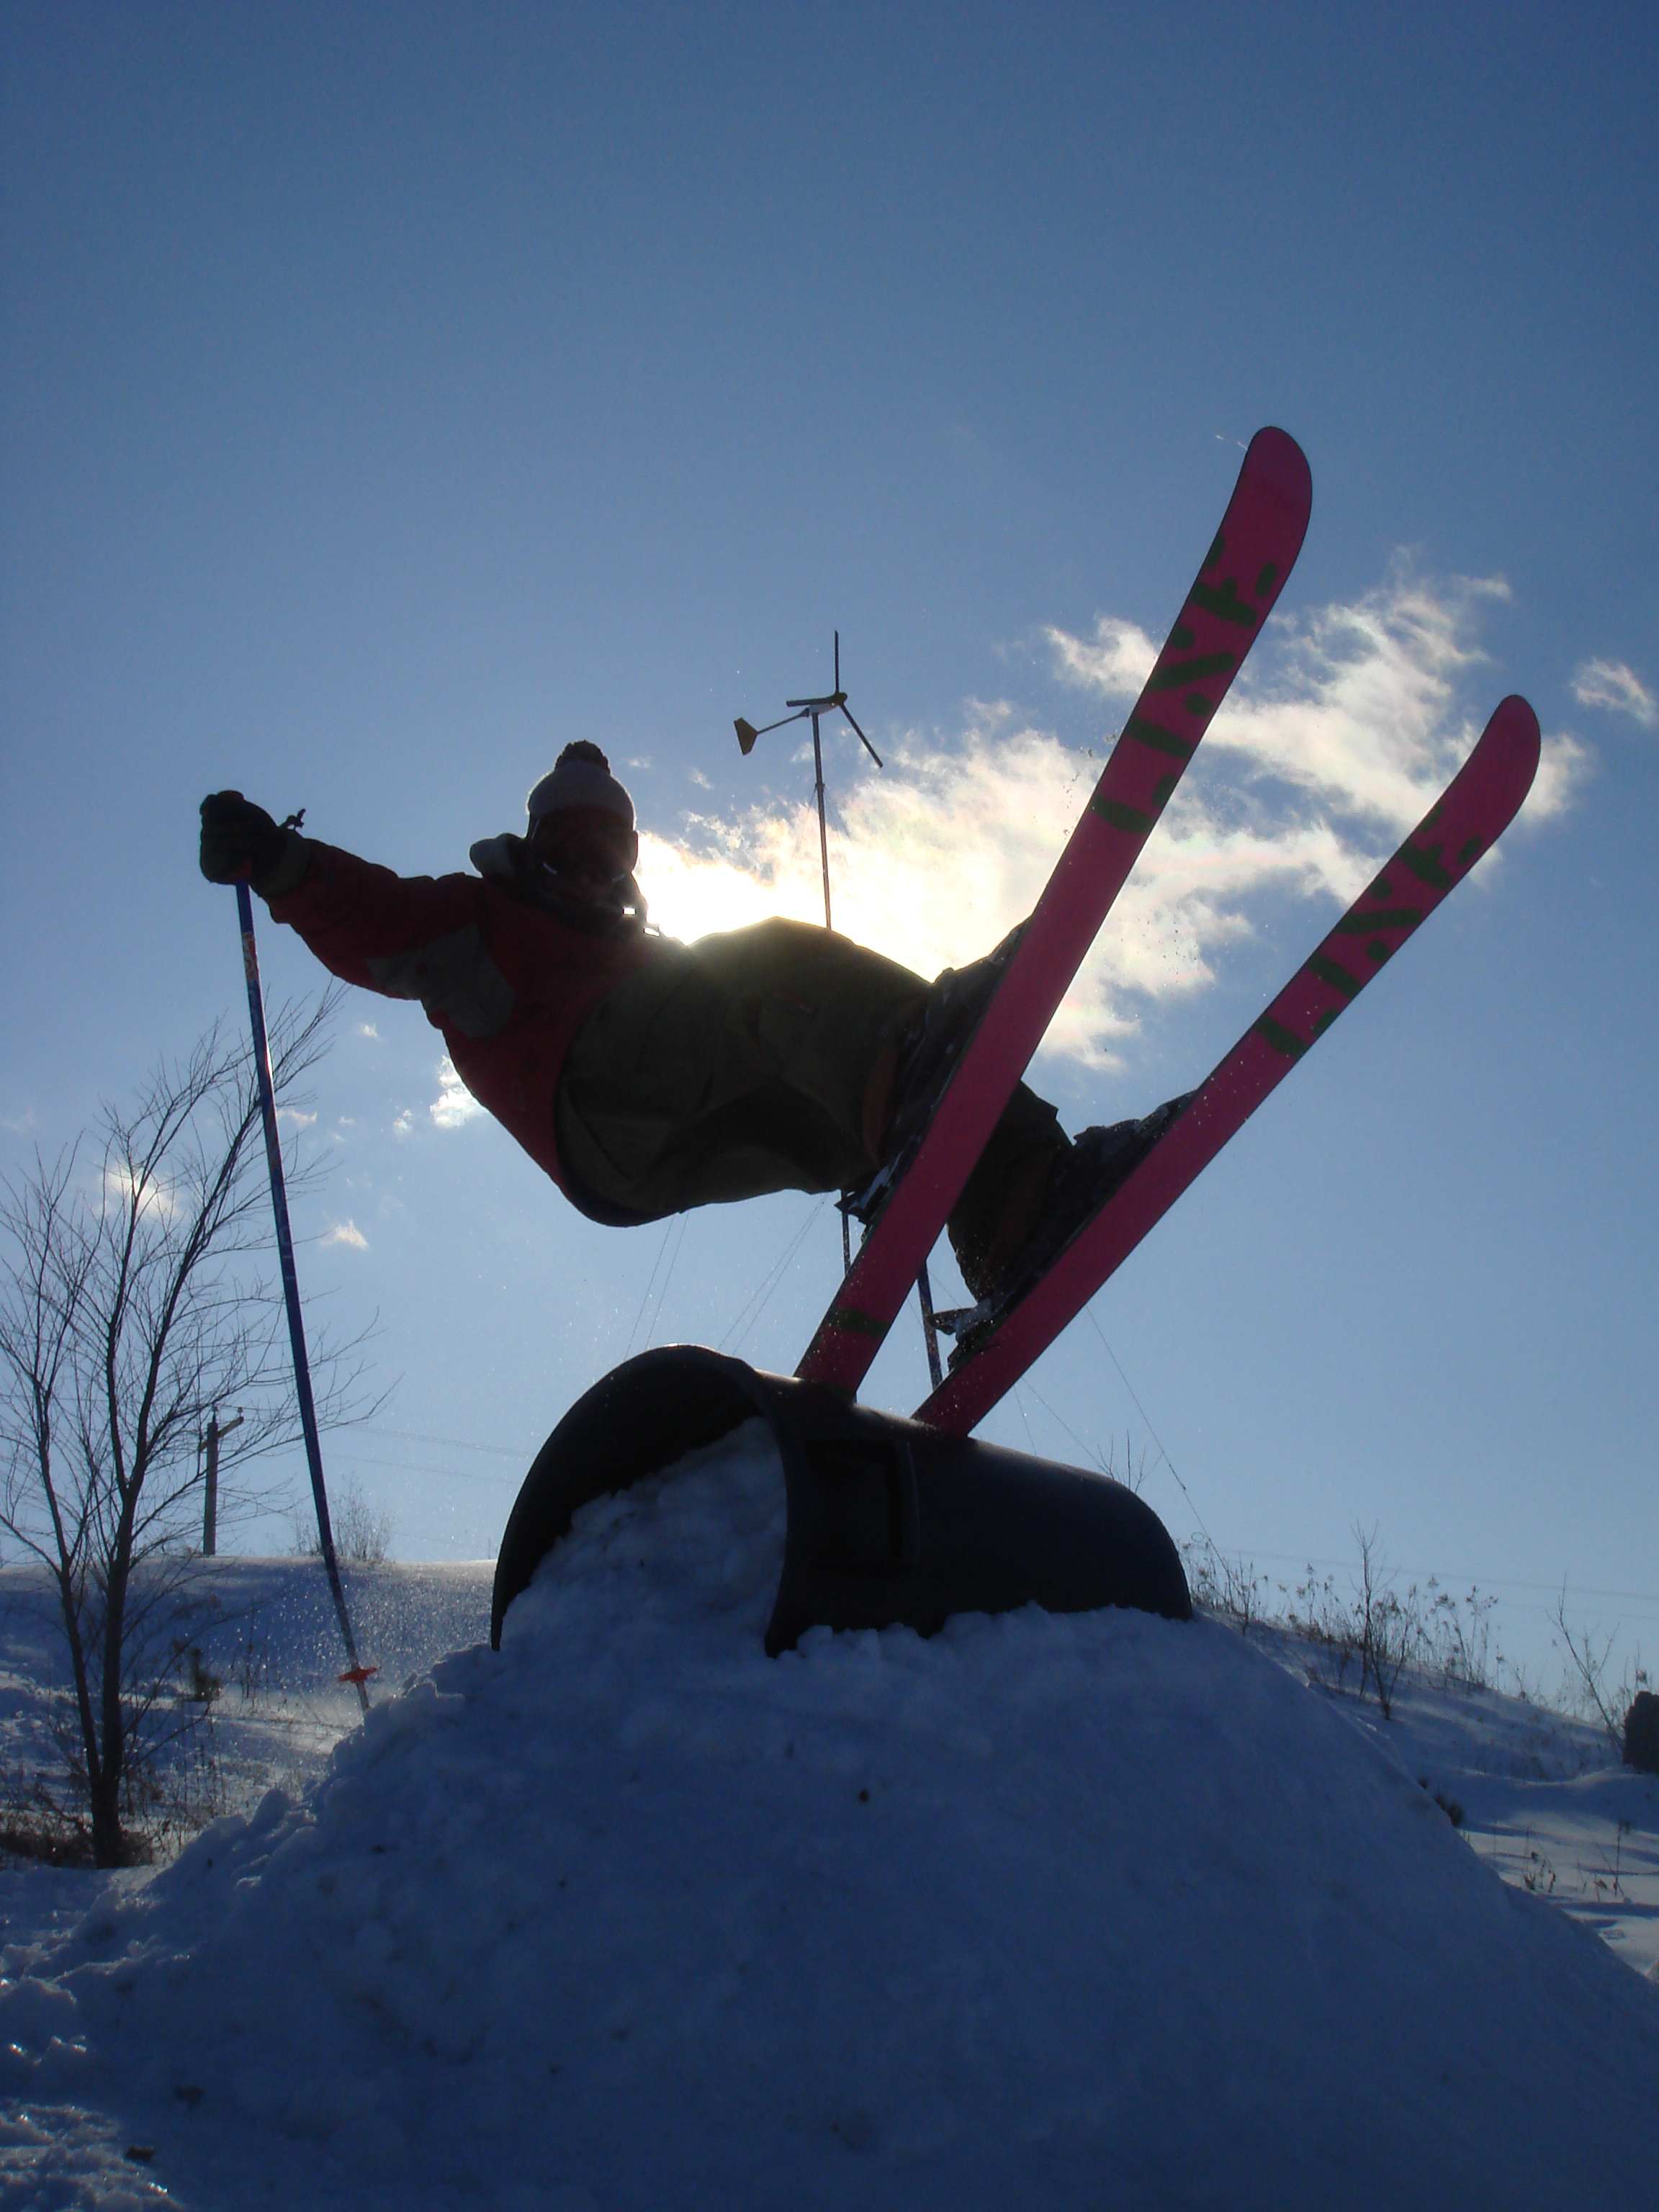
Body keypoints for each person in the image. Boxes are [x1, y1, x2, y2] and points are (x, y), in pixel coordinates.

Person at [199, 745, 1179, 1316]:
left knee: (843, 1115)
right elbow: (371, 918)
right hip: (591, 1096)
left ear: (630, 858)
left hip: (661, 1151)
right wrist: (281, 863)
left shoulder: (646, 957)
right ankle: (920, 1063)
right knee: (762, 960)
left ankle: (1016, 1211)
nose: (584, 870)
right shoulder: (479, 918)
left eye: (606, 850)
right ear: (532, 846)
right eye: (564, 846)